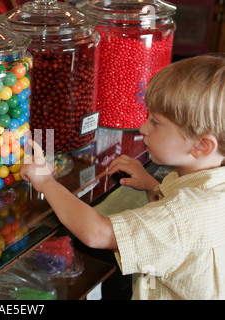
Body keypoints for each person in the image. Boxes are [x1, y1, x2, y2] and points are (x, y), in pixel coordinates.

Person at [20, 55, 225, 299]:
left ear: (201, 146)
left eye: (156, 122)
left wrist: (45, 181)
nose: (142, 128)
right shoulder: (209, 188)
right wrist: (153, 187)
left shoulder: (183, 215)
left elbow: (97, 233)